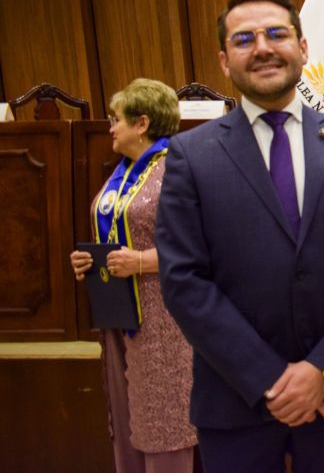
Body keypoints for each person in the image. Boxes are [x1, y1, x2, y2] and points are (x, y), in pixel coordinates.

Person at [156, 0, 324, 473]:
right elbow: (184, 281)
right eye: (244, 40)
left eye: (276, 34)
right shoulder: (190, 156)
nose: (262, 48)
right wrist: (269, 378)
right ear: (224, 60)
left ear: (302, 48)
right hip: (235, 397)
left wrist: (322, 370)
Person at [70, 78, 198, 472]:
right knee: (131, 417)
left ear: (142, 123)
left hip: (164, 320)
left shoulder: (176, 168)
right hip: (121, 316)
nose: (110, 127)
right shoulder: (122, 171)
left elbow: (203, 247)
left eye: (116, 119)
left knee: (164, 420)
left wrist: (141, 261)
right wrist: (89, 261)